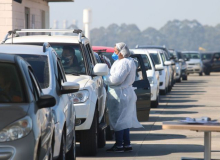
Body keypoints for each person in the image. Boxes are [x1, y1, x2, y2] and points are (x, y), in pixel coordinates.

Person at [104, 42, 143, 153]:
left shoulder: (123, 63)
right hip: (126, 93)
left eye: (116, 51)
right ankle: (127, 144)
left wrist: (105, 78)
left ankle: (119, 145)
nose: (114, 53)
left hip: (120, 94)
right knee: (124, 120)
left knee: (118, 120)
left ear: (121, 52)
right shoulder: (128, 61)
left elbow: (117, 80)